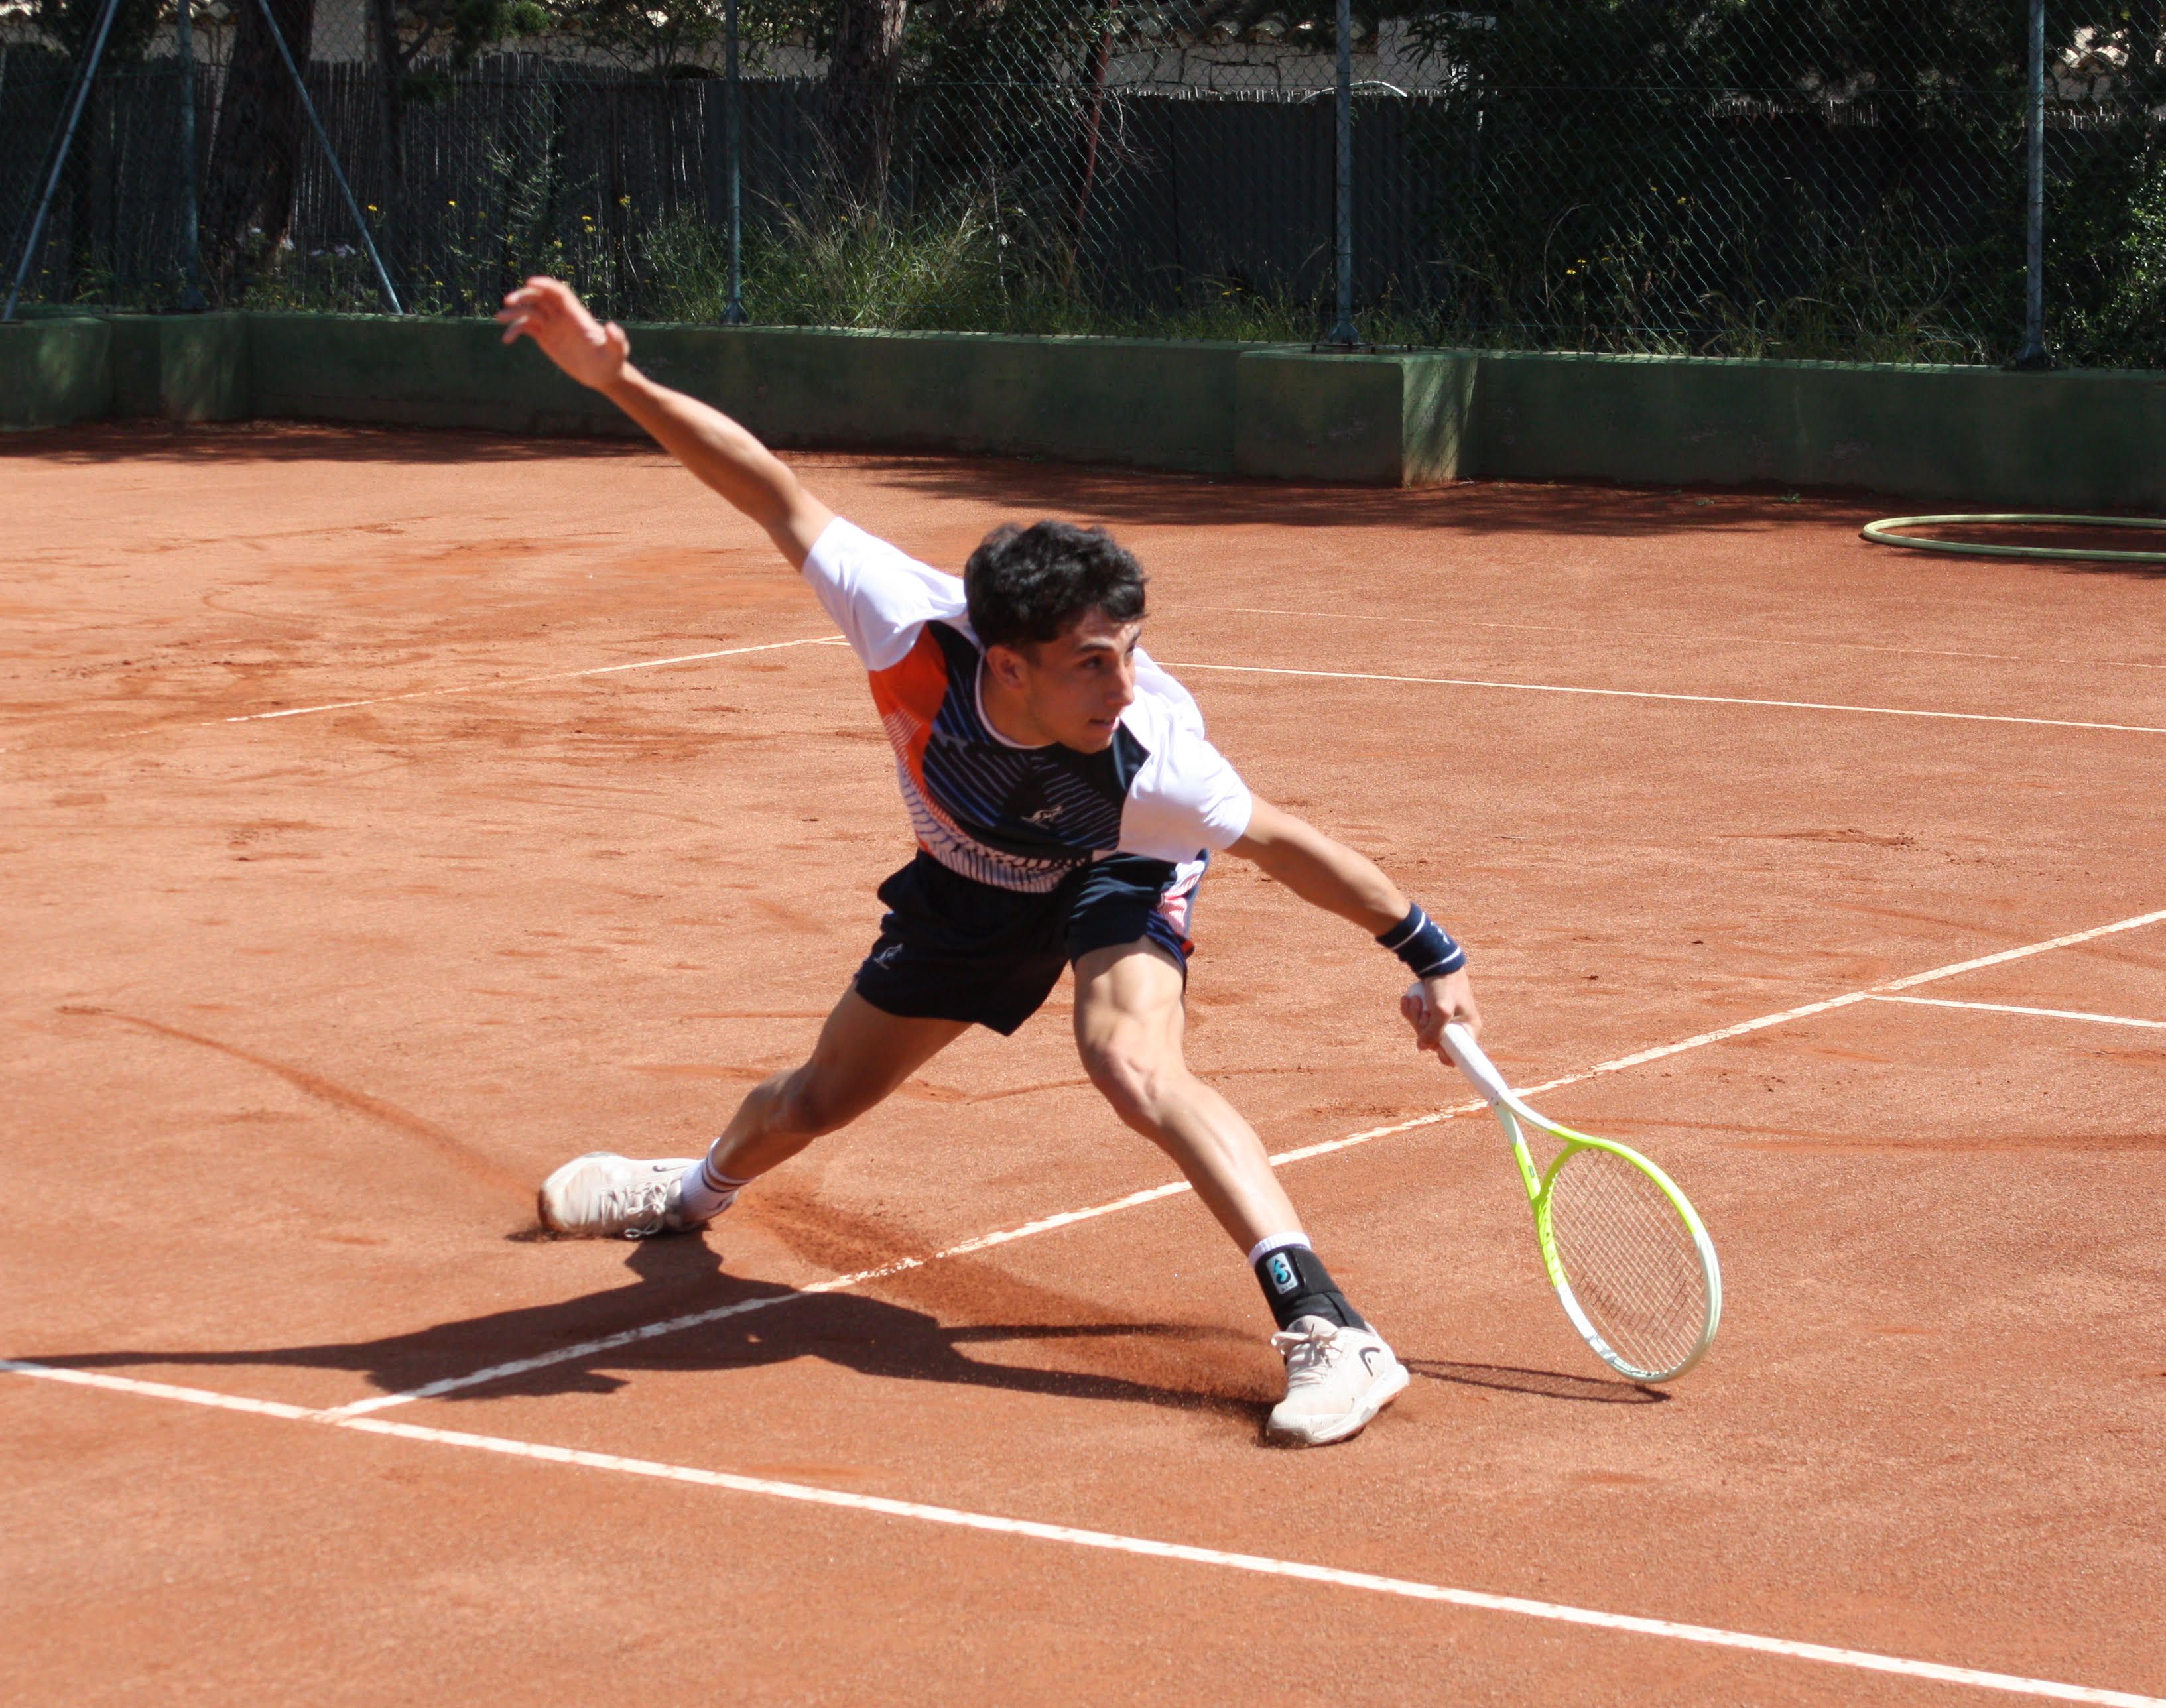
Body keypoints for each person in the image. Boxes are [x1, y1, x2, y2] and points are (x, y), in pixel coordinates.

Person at [497, 277, 1481, 1447]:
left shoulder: (1154, 763)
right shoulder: (906, 625)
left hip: (1113, 866)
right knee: (818, 1098)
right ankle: (691, 1192)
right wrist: (619, 384)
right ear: (1005, 663)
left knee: (1130, 1062)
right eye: (1094, 664)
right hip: (970, 882)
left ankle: (1328, 1328)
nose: (1127, 688)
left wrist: (1430, 952)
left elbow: (1287, 847)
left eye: (1134, 655)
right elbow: (768, 490)